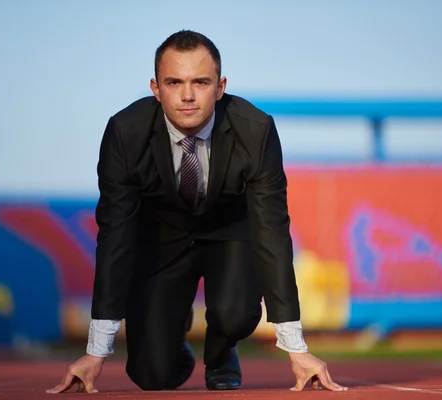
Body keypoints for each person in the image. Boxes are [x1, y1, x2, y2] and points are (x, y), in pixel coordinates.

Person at [47, 30, 347, 394]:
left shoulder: (256, 131)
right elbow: (115, 236)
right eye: (174, 82)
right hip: (159, 242)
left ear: (220, 87)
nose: (187, 95)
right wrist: (95, 351)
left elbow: (271, 231)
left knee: (236, 313)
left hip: (229, 235)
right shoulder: (125, 133)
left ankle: (221, 351)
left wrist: (297, 348)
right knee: (153, 377)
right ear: (156, 89)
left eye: (200, 82)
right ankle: (174, 328)